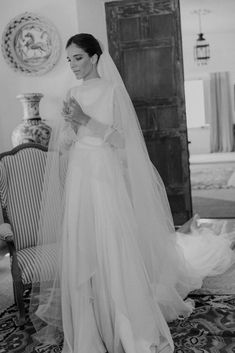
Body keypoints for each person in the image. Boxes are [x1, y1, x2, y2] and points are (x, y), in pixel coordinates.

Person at [30, 33, 235, 353]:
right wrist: (71, 126)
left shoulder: (111, 91)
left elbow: (121, 141)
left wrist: (85, 119)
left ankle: (127, 327)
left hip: (105, 179)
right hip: (81, 178)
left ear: (95, 57)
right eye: (69, 59)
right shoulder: (72, 92)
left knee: (113, 246)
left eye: (78, 58)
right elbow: (69, 143)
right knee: (86, 249)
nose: (73, 65)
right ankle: (93, 327)